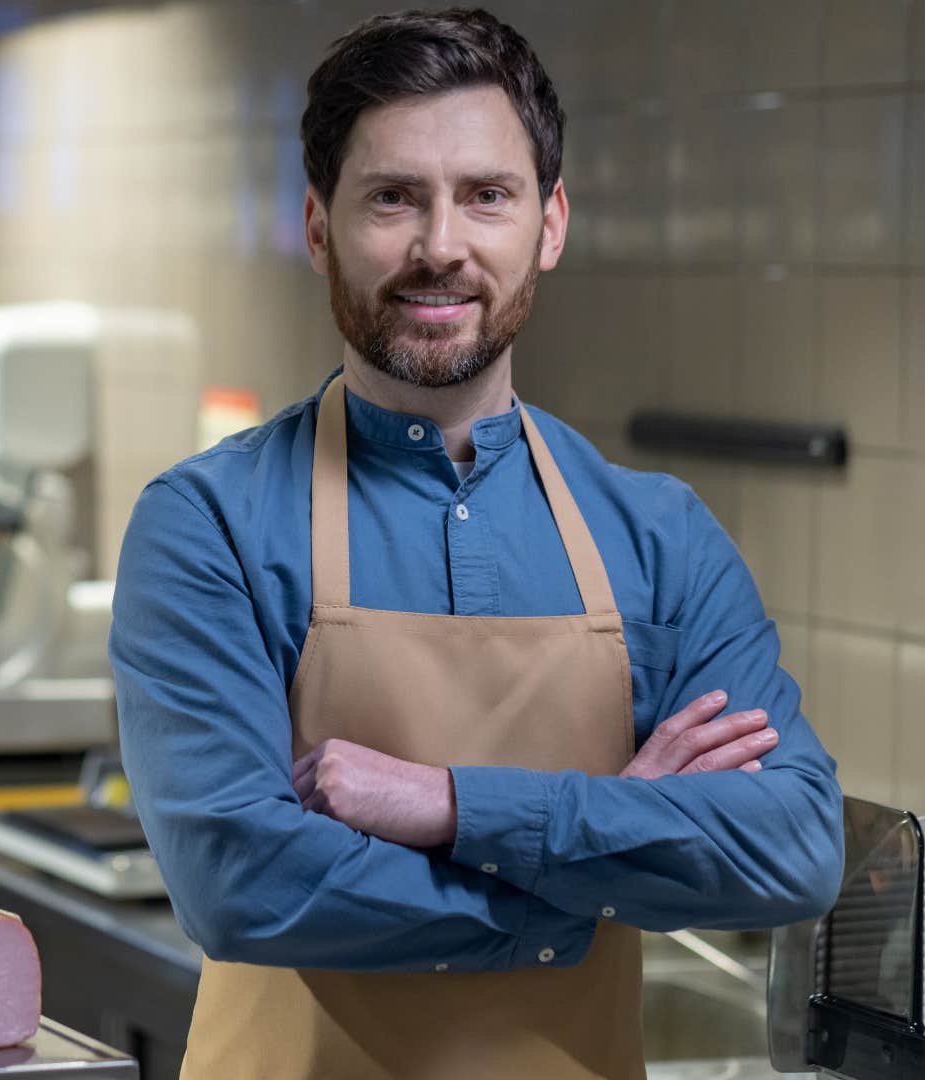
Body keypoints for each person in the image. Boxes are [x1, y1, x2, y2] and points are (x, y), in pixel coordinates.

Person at [107, 9, 846, 1079]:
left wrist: (449, 806)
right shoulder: (209, 524)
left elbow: (795, 848)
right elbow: (243, 883)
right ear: (319, 227)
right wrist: (597, 859)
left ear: (549, 225)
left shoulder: (657, 535)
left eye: (485, 196)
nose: (440, 246)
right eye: (393, 198)